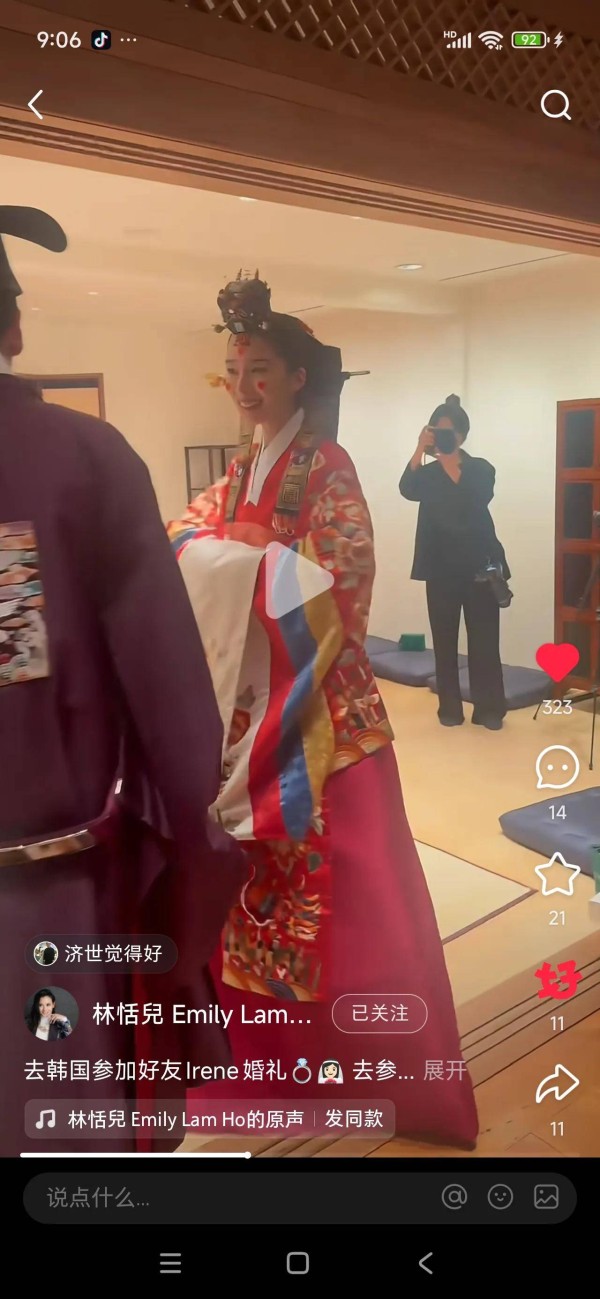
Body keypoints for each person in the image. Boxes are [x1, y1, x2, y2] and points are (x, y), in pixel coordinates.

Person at [168, 275, 478, 1149]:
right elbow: (182, 536)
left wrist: (245, 553)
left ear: (299, 377)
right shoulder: (241, 470)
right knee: (249, 895)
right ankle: (261, 1065)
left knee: (354, 907)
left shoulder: (327, 466)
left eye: (261, 369)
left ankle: (379, 1073)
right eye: (235, 370)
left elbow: (343, 578)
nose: (244, 385)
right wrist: (245, 550)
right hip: (250, 711)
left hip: (325, 720)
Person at [0, 207, 247, 1157]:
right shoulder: (81, 459)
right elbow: (173, 708)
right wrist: (193, 852)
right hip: (45, 892)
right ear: (14, 325)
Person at [399, 395, 509, 731]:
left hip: (479, 567)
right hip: (440, 569)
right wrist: (419, 448)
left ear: (462, 435)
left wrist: (447, 459)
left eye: (448, 432)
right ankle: (449, 708)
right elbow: (406, 489)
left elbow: (477, 498)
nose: (443, 438)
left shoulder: (481, 468)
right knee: (444, 641)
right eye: (437, 431)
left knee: (485, 641)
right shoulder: (427, 474)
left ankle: (489, 710)